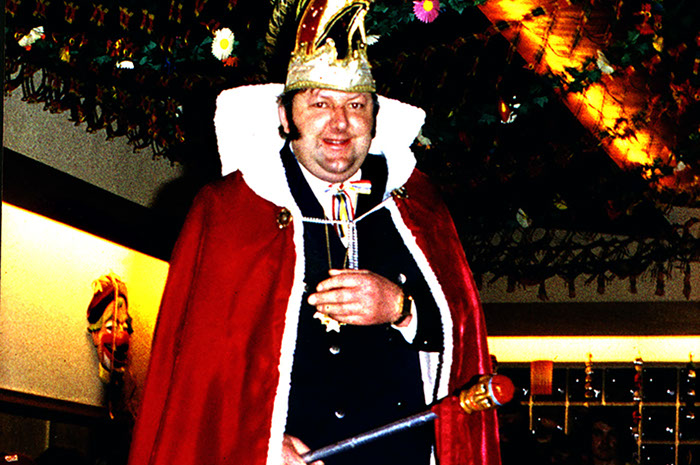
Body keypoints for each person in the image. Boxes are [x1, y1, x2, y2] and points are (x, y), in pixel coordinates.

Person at [127, 1, 500, 464]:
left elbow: (463, 342)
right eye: (319, 103)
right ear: (286, 116)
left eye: (355, 105)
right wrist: (263, 445)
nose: (339, 123)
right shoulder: (231, 209)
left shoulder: (418, 206)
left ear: (375, 118)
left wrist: (401, 308)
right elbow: (200, 379)